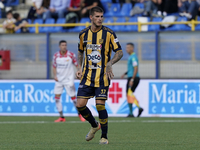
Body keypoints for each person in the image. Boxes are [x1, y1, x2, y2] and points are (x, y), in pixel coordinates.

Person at [76, 6, 123, 144]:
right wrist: (79, 67)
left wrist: (110, 63)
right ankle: (94, 125)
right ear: (91, 17)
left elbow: (119, 52)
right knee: (80, 105)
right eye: (97, 16)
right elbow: (80, 52)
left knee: (100, 105)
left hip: (102, 76)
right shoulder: (83, 34)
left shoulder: (109, 33)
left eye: (102, 16)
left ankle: (104, 136)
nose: (100, 19)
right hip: (87, 75)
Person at [53, 40, 85, 123]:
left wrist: (79, 72)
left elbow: (77, 64)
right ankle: (61, 117)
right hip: (59, 80)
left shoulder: (71, 55)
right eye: (62, 45)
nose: (64, 46)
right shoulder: (56, 56)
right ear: (59, 46)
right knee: (56, 98)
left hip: (68, 80)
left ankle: (80, 114)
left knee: (74, 99)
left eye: (65, 45)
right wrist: (55, 75)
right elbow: (54, 66)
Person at [121, 43, 144, 118]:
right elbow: (131, 69)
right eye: (126, 47)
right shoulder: (131, 57)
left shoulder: (133, 57)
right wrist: (125, 73)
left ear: (132, 48)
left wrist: (132, 79)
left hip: (133, 78)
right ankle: (134, 111)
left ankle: (135, 110)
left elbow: (135, 69)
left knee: (129, 94)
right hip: (132, 77)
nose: (126, 49)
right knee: (129, 94)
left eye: (128, 47)